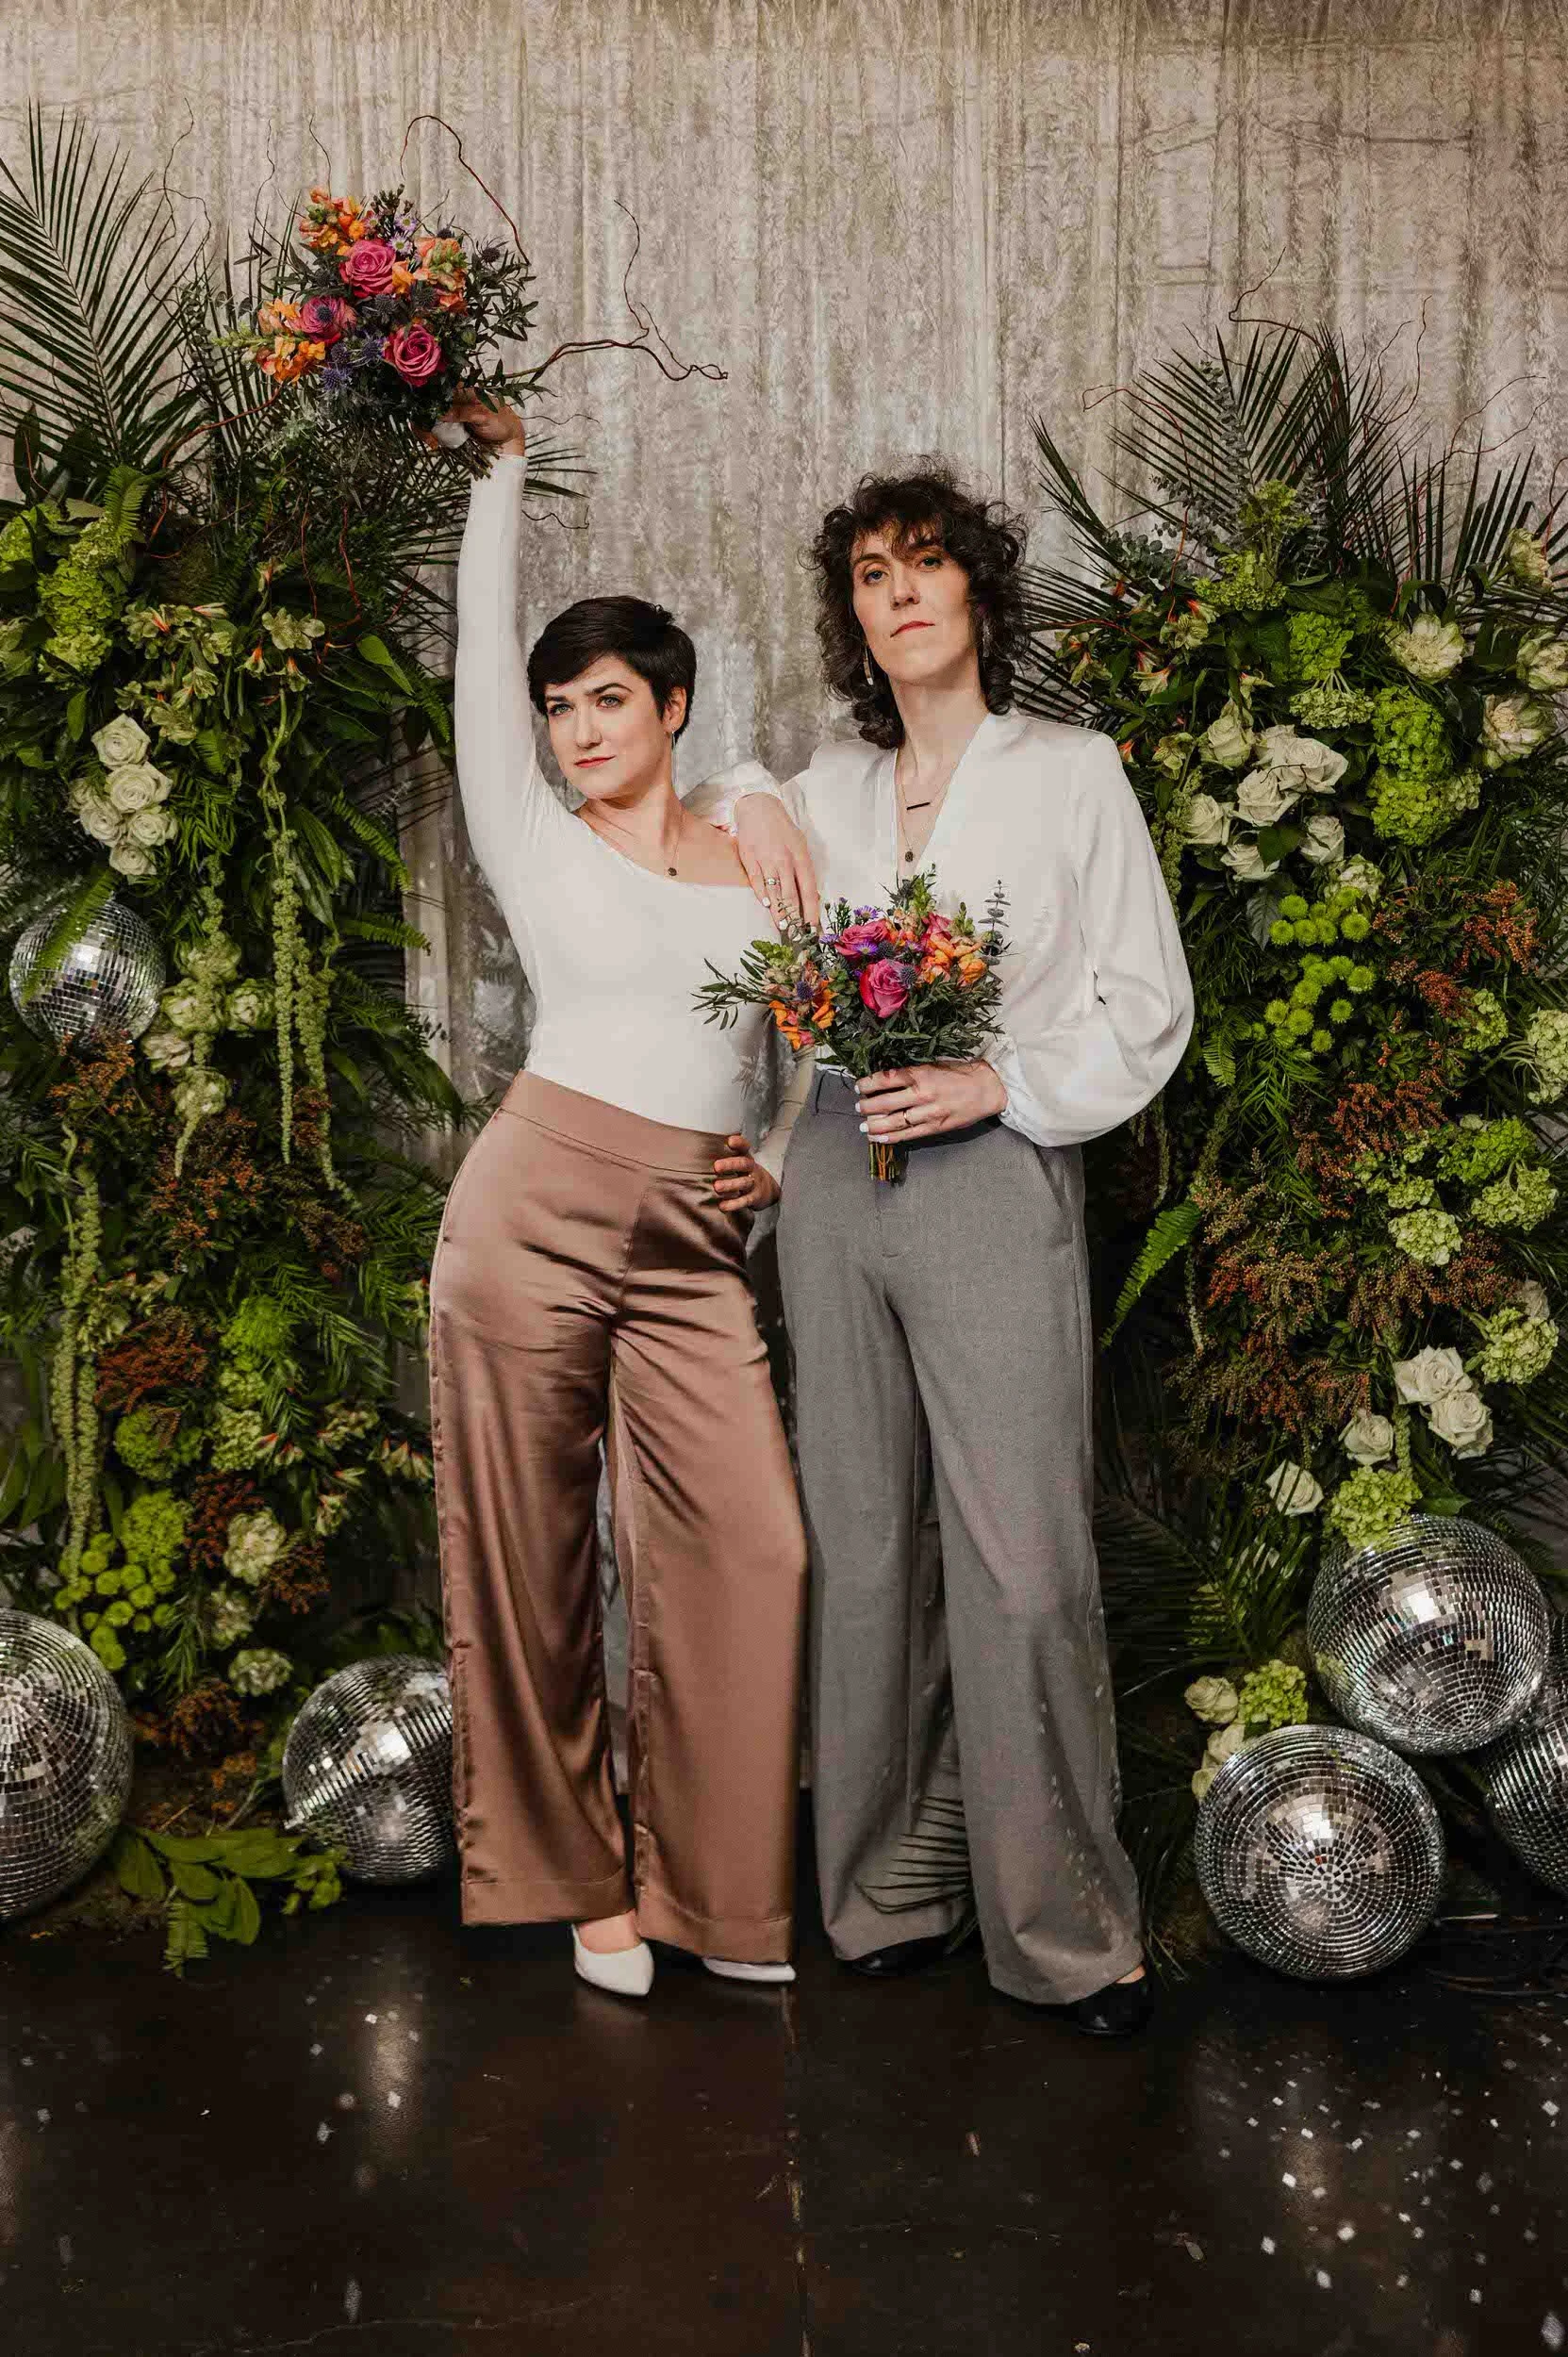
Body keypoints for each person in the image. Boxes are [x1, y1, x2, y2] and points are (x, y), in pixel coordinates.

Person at [689, 463, 1193, 2034]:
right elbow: (712, 828)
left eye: (924, 567)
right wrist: (745, 796)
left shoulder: (1070, 771)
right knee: (860, 1537)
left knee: (1022, 1561)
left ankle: (1063, 1931)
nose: (897, 594)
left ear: (977, 590)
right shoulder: (828, 786)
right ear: (852, 617)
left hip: (994, 1165)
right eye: (868, 577)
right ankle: (889, 1893)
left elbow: (1146, 1002)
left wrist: (1003, 1083)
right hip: (839, 1178)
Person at [429, 388, 805, 1999]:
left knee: (754, 1545)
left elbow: (809, 1054)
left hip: (696, 1236)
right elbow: (474, 650)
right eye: (559, 707)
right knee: (526, 1550)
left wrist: (778, 1163)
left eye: (605, 702)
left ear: (667, 707)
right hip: (530, 1207)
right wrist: (503, 474)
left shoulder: (759, 849)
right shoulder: (531, 837)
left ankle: (719, 1895)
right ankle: (581, 1881)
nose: (579, 732)